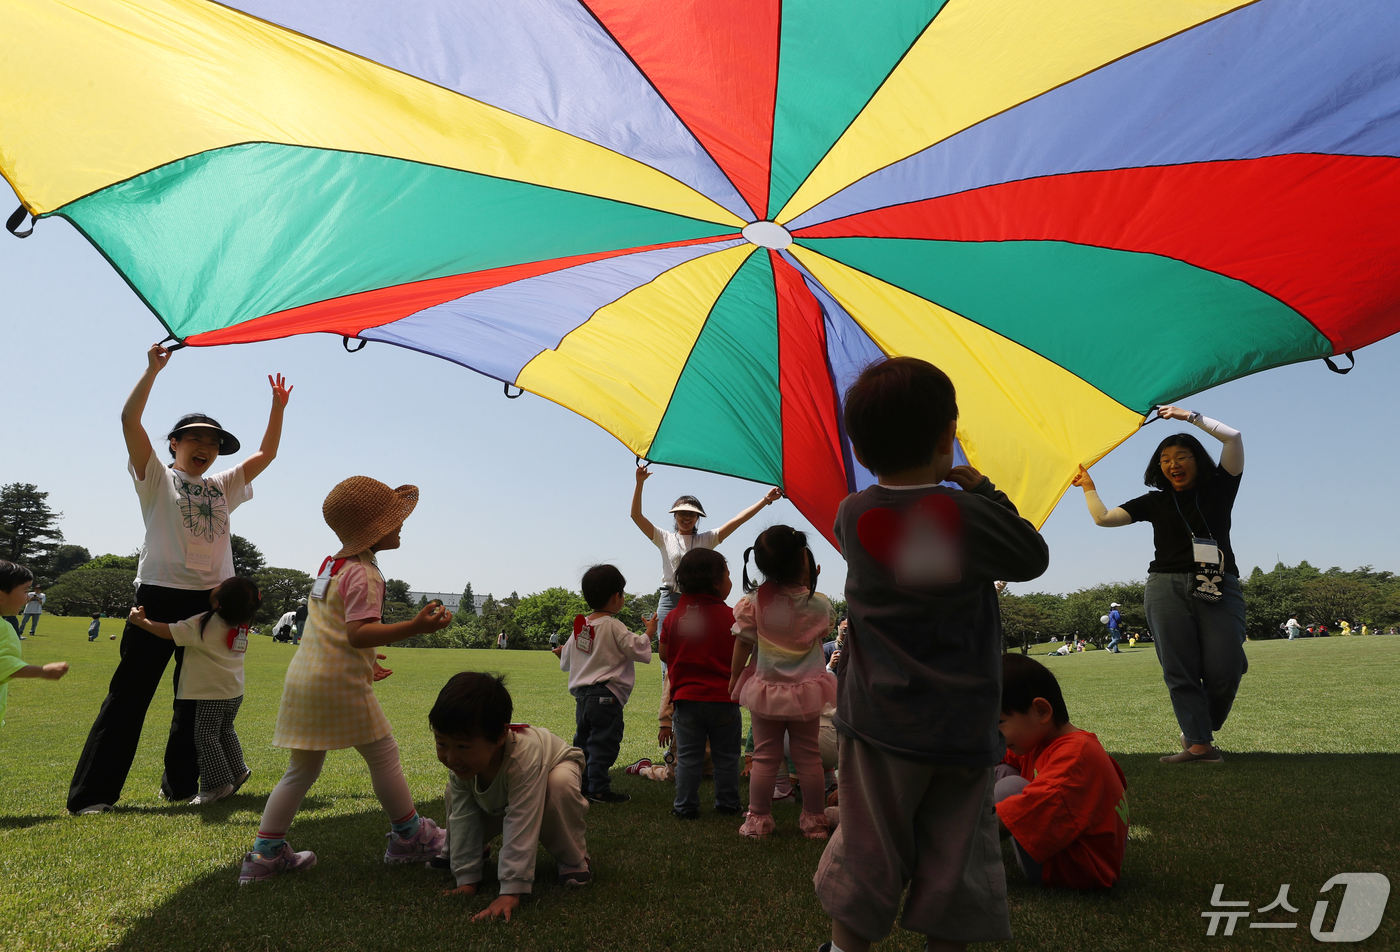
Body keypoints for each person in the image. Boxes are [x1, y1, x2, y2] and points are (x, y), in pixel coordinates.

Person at [815, 357, 1050, 952]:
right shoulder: (966, 515)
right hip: (961, 725)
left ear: (862, 451)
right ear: (948, 436)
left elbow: (908, 558)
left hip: (877, 722)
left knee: (869, 844)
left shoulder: (853, 513)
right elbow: (1031, 557)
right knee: (956, 853)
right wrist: (989, 494)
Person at [68, 344, 292, 816]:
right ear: (175, 443)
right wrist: (151, 371)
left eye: (212, 443)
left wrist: (277, 408)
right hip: (158, 598)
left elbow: (268, 453)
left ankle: (182, 787)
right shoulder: (156, 479)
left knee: (195, 700)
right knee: (129, 696)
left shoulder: (222, 486)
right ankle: (93, 796)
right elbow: (129, 421)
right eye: (195, 440)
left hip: (212, 605)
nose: (205, 449)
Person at [240, 476, 453, 884]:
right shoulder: (366, 574)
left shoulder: (331, 565)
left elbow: (334, 629)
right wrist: (413, 627)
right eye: (394, 518)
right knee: (383, 754)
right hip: (337, 682)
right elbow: (358, 632)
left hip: (306, 677)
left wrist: (367, 661)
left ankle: (264, 856)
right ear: (372, 528)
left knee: (300, 771)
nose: (401, 523)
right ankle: (409, 837)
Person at [1072, 405, 1246, 765]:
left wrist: (1189, 417)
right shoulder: (1155, 501)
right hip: (1164, 586)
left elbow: (1233, 437)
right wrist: (1089, 488)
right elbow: (1104, 519)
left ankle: (1199, 728)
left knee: (1226, 667)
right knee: (1178, 668)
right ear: (1159, 467)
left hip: (1218, 581)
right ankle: (1199, 744)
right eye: (1165, 459)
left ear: (1197, 460)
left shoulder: (1220, 488)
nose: (1173, 464)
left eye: (1182, 456)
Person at [434, 672, 591, 922]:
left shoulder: (523, 759)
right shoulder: (465, 763)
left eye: (462, 746)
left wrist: (511, 890)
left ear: (498, 736)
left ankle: (573, 858)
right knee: (455, 792)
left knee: (557, 788)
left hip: (555, 765)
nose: (451, 758)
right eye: (442, 743)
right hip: (504, 777)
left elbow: (521, 820)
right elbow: (463, 816)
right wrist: (466, 878)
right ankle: (474, 854)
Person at [729, 525, 838, 840]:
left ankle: (758, 821)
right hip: (807, 692)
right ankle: (815, 822)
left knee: (764, 755)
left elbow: (742, 644)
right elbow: (819, 635)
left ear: (761, 565)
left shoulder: (753, 603)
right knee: (808, 757)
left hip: (766, 690)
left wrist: (735, 676)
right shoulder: (817, 604)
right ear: (803, 560)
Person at [994, 654, 1129, 889]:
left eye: (999, 723)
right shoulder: (1041, 741)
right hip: (1064, 854)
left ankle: (952, 848)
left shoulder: (1075, 756)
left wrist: (952, 838)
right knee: (997, 768)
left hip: (1074, 870)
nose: (993, 735)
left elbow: (1024, 811)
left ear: (1041, 711)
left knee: (1010, 788)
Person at [127, 577, 261, 805]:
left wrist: (142, 622)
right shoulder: (242, 624)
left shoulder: (204, 623)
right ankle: (238, 770)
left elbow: (170, 632)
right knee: (225, 730)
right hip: (233, 690)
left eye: (218, 587)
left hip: (209, 692)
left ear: (218, 603)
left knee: (206, 736)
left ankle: (217, 785)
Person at [630, 464, 781, 634]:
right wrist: (639, 482)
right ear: (675, 515)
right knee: (668, 651)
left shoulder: (707, 539)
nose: (687, 517)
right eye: (682, 513)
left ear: (697, 518)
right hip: (669, 599)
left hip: (699, 599)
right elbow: (636, 516)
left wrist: (765, 500)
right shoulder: (664, 538)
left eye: (692, 514)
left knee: (695, 648)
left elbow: (738, 520)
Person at [558, 565, 653, 803]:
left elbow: (567, 658)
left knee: (583, 742)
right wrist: (649, 632)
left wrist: (561, 652)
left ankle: (582, 786)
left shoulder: (582, 626)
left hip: (582, 696)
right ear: (615, 597)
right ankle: (599, 789)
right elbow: (635, 648)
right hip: (606, 696)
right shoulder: (613, 625)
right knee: (604, 742)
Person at [659, 548, 741, 820]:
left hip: (687, 702)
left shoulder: (673, 617)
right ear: (717, 583)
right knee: (727, 758)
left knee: (689, 758)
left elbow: (663, 653)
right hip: (724, 700)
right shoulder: (732, 617)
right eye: (728, 576)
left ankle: (684, 807)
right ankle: (728, 803)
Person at [0, 561, 69, 723]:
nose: (27, 598)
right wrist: (41, 671)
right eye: (25, 591)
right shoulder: (4, 629)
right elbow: (3, 664)